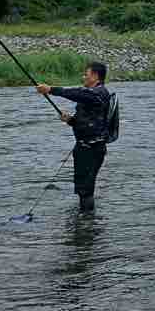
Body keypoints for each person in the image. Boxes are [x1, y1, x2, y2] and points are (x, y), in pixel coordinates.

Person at [37, 62, 113, 213]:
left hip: (92, 149)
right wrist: (71, 120)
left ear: (95, 76)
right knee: (81, 187)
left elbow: (78, 93)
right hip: (83, 147)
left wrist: (51, 89)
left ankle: (86, 219)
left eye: (86, 74)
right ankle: (84, 219)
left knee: (86, 189)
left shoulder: (99, 93)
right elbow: (88, 120)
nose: (83, 77)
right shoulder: (90, 96)